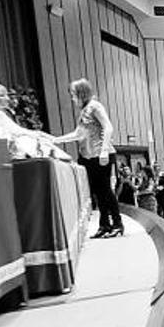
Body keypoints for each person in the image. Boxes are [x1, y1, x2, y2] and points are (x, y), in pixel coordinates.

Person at [53, 78, 123, 238]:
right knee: (98, 192)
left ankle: (118, 224)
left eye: (73, 94)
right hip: (90, 157)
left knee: (106, 190)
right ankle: (104, 225)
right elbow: (78, 134)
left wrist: (104, 150)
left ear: (81, 93)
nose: (72, 98)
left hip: (101, 155)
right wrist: (56, 140)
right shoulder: (84, 111)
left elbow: (108, 127)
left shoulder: (95, 106)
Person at [0, 82, 66, 160]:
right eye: (2, 95)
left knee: (39, 142)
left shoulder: (0, 114)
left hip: (4, 153)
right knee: (26, 142)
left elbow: (17, 130)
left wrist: (40, 134)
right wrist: (20, 139)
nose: (7, 99)